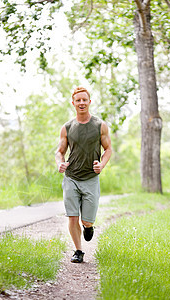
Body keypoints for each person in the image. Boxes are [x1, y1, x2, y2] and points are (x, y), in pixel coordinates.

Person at [55, 86, 112, 263]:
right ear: (73, 103)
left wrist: (101, 165)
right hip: (71, 177)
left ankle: (88, 227)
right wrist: (60, 163)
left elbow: (108, 149)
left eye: (84, 100)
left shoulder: (99, 126)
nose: (81, 103)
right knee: (72, 216)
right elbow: (59, 151)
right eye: (78, 100)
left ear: (89, 102)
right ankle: (78, 251)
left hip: (90, 179)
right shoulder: (67, 127)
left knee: (86, 221)